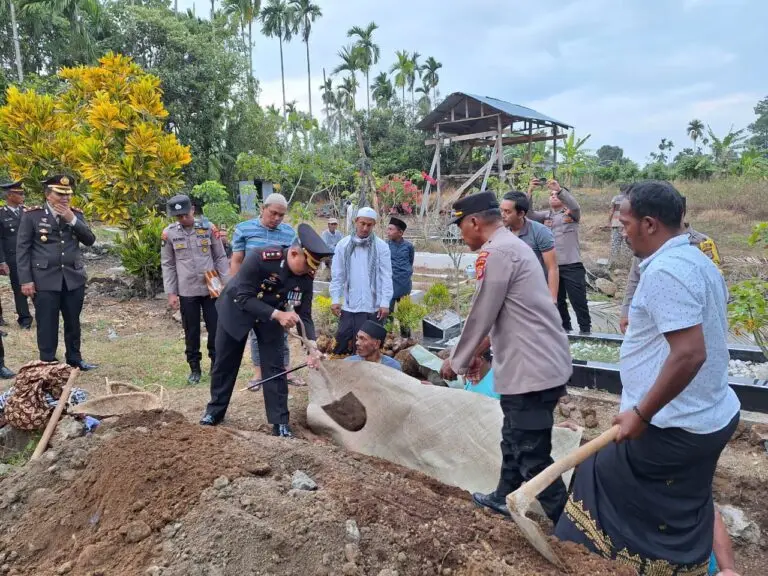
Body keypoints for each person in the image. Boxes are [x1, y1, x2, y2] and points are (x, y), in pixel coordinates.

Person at [555, 181, 741, 575]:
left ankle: (597, 564)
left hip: (675, 423)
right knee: (687, 501)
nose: (622, 231)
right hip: (712, 415)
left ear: (650, 224)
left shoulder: (667, 273)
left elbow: (690, 353)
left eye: (625, 223)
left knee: (596, 477)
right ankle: (715, 569)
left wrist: (640, 413)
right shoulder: (699, 261)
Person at [438, 192, 572, 524]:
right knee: (513, 436)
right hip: (532, 365)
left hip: (532, 369)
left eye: (460, 227)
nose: (461, 235)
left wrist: (455, 360)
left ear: (473, 222)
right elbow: (501, 313)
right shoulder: (511, 246)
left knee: (532, 455)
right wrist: (475, 353)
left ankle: (570, 527)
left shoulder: (497, 251)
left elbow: (483, 312)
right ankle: (503, 496)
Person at [200, 224, 332, 436]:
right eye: (307, 265)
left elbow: (304, 314)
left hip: (270, 317)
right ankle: (215, 411)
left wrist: (313, 347)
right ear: (294, 252)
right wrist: (279, 315)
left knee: (275, 366)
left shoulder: (305, 276)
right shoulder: (261, 257)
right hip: (237, 309)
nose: (309, 271)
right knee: (225, 363)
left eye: (312, 268)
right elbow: (243, 296)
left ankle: (280, 422)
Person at [17, 175, 97, 370]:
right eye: (59, 194)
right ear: (48, 195)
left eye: (68, 194)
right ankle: (48, 361)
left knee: (73, 322)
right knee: (46, 322)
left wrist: (72, 220)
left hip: (72, 278)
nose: (65, 198)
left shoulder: (75, 215)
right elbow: (23, 250)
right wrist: (26, 280)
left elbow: (90, 239)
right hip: (44, 279)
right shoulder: (32, 216)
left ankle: (75, 359)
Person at [620, 196, 721, 333]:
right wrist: (626, 311)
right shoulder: (646, 244)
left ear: (682, 212)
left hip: (694, 319)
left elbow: (713, 282)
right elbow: (635, 279)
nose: (623, 233)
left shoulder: (703, 243)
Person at [161, 194, 230, 384]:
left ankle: (216, 366)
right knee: (191, 331)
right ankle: (194, 368)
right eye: (179, 217)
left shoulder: (208, 228)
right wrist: (172, 292)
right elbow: (168, 264)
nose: (183, 219)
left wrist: (226, 283)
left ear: (192, 209)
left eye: (185, 214)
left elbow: (220, 257)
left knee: (215, 329)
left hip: (211, 288)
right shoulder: (169, 234)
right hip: (187, 289)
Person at [230, 193, 296, 386]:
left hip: (278, 293)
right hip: (252, 293)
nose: (277, 218)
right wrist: (235, 290)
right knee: (256, 333)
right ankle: (258, 374)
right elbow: (236, 261)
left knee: (282, 332)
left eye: (281, 215)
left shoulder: (289, 233)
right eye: (273, 213)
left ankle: (285, 370)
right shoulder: (244, 229)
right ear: (262, 209)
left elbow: (292, 264)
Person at [528, 178, 591, 334]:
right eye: (551, 194)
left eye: (556, 194)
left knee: (579, 302)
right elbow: (528, 214)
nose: (553, 196)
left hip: (571, 265)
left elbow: (575, 206)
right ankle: (565, 332)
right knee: (558, 302)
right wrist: (529, 191)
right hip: (551, 268)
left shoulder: (572, 214)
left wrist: (560, 189)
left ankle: (586, 332)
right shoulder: (544, 216)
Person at [330, 207, 393, 355]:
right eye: (362, 223)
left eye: (369, 225)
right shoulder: (343, 245)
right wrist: (334, 299)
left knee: (369, 350)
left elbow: (386, 276)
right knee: (343, 346)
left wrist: (385, 302)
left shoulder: (381, 246)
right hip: (349, 305)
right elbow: (337, 275)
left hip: (372, 307)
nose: (365, 228)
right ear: (355, 221)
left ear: (374, 225)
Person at [500, 191, 559, 303]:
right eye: (501, 210)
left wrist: (552, 299)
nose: (502, 215)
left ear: (521, 214)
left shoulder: (540, 232)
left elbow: (552, 268)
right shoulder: (501, 233)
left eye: (507, 211)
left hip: (537, 293)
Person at [0, 181, 32, 328]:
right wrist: (2, 261)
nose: (22, 196)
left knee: (40, 286)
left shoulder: (28, 212)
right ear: (10, 195)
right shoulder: (1, 214)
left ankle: (45, 316)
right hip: (14, 257)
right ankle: (25, 319)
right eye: (19, 193)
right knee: (19, 289)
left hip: (32, 255)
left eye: (22, 192)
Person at [386, 216, 415, 312]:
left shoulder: (409, 246)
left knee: (404, 314)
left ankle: (404, 328)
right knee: (388, 314)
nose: (388, 231)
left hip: (404, 284)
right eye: (388, 229)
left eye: (391, 229)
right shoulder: (385, 245)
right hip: (390, 284)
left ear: (400, 233)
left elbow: (410, 262)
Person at [608, 184, 629, 264]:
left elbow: (611, 211)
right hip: (627, 225)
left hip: (616, 223)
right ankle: (624, 263)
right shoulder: (630, 199)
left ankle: (614, 262)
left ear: (620, 190)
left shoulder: (616, 198)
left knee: (615, 243)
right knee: (626, 244)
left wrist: (609, 221)